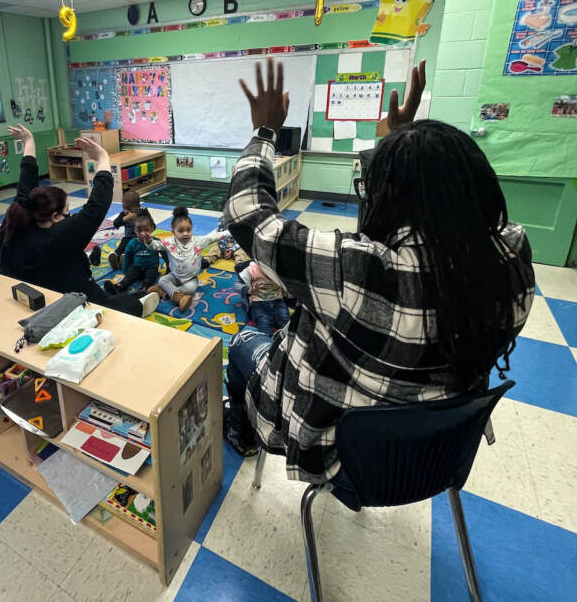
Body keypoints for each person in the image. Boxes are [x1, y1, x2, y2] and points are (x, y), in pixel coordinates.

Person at [221, 57, 535, 482]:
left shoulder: (357, 271)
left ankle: (240, 430)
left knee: (243, 342)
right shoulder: (511, 256)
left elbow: (246, 215)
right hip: (433, 455)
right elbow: (388, 235)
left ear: (390, 194)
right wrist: (398, 139)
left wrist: (264, 132)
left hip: (338, 453)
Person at [0, 125, 159, 318]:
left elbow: (26, 181)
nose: (70, 217)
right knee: (123, 306)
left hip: (18, 298)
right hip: (56, 305)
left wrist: (29, 142)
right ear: (55, 217)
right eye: (67, 212)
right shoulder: (56, 238)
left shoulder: (15, 220)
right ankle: (136, 300)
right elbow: (96, 207)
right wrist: (103, 158)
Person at [147, 206, 229, 311]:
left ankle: (164, 292)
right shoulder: (169, 242)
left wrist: (230, 232)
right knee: (162, 280)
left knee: (191, 289)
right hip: (174, 276)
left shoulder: (198, 241)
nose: (185, 233)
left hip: (191, 279)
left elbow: (214, 237)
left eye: (188, 230)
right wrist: (148, 241)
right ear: (173, 232)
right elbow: (155, 246)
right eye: (180, 231)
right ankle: (178, 297)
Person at [103, 209, 164, 295]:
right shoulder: (132, 243)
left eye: (146, 230)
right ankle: (119, 287)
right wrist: (125, 271)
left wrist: (170, 268)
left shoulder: (157, 242)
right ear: (134, 230)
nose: (142, 233)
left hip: (151, 268)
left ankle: (143, 290)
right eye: (139, 230)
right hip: (137, 267)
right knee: (129, 276)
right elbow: (127, 257)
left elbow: (165, 254)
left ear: (152, 228)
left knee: (150, 278)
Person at [239, 262, 289, 336]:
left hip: (278, 301)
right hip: (259, 303)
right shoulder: (252, 269)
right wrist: (250, 291)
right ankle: (267, 343)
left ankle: (287, 342)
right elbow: (238, 285)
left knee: (285, 321)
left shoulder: (279, 267)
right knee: (264, 322)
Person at [107, 189, 141, 270]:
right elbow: (115, 224)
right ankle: (116, 256)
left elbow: (152, 225)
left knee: (135, 252)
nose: (127, 211)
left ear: (138, 207)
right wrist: (124, 218)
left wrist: (138, 218)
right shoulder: (124, 214)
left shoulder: (143, 213)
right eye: (125, 208)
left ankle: (125, 260)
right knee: (122, 245)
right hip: (128, 238)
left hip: (140, 239)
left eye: (130, 209)